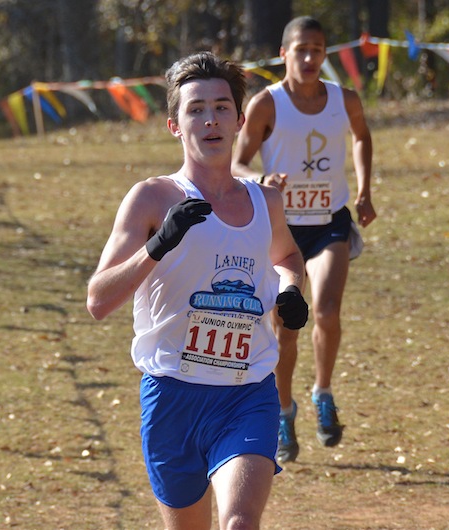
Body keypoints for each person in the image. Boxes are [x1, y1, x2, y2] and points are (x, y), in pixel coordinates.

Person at [86, 51, 308, 530]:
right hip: (172, 397)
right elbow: (98, 300)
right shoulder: (152, 198)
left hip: (246, 392)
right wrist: (159, 245)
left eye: (222, 107)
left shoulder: (263, 201)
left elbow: (288, 258)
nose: (210, 119)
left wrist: (290, 289)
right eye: (196, 109)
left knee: (239, 524)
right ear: (174, 125)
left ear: (240, 120)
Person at [232, 16, 377, 464]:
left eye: (318, 49)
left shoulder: (344, 99)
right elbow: (237, 161)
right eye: (302, 50)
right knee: (286, 327)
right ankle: (283, 410)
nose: (311, 58)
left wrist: (365, 188)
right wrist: (260, 178)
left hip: (331, 222)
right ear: (284, 54)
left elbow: (362, 137)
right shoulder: (266, 104)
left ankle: (323, 393)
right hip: (282, 230)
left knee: (328, 311)